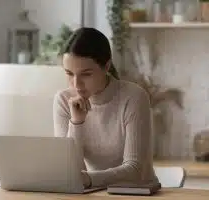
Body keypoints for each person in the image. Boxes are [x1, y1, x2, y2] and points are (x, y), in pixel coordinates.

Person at [53, 27, 159, 189]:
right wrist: (77, 123)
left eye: (86, 74)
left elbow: (134, 169)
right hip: (94, 193)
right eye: (69, 73)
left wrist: (89, 179)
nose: (76, 84)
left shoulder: (133, 97)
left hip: (138, 193)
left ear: (107, 66)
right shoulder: (63, 100)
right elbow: (69, 171)